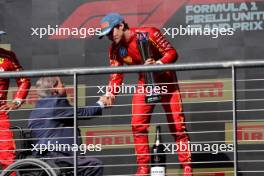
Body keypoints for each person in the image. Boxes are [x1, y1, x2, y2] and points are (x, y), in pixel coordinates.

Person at [99, 13, 192, 176]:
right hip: (145, 83)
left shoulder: (149, 33)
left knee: (177, 127)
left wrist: (157, 64)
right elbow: (116, 73)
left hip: (167, 81)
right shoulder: (114, 48)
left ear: (121, 26)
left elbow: (172, 53)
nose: (108, 37)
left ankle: (186, 168)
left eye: (110, 32)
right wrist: (110, 93)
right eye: (105, 34)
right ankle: (143, 168)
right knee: (137, 125)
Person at [28, 77, 108, 176]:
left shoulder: (43, 104)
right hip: (53, 155)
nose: (65, 87)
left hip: (49, 154)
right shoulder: (55, 103)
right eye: (62, 85)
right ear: (54, 89)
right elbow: (83, 113)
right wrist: (102, 103)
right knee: (94, 165)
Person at [0, 30, 31, 174]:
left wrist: (17, 101)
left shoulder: (7, 56)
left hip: (0, 114)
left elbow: (24, 79)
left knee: (7, 155)